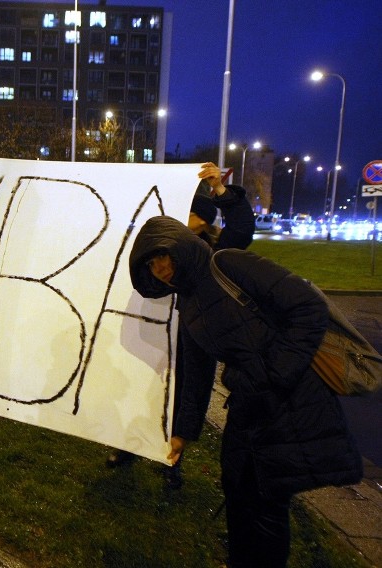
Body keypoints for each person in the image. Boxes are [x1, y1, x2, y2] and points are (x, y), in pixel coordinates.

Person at [129, 215, 362, 568]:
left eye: (162, 255)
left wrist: (275, 374)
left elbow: (308, 307)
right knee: (237, 488)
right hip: (250, 404)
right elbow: (196, 373)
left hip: (292, 401)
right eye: (150, 263)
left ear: (179, 245)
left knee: (267, 499)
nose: (159, 267)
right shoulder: (187, 301)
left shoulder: (228, 263)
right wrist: (183, 433)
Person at [107, 163, 255, 490]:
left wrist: (220, 190)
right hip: (154, 335)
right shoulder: (156, 254)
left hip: (190, 340)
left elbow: (242, 227)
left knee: (183, 390)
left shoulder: (215, 256)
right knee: (142, 390)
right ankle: (130, 445)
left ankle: (172, 456)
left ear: (200, 220)